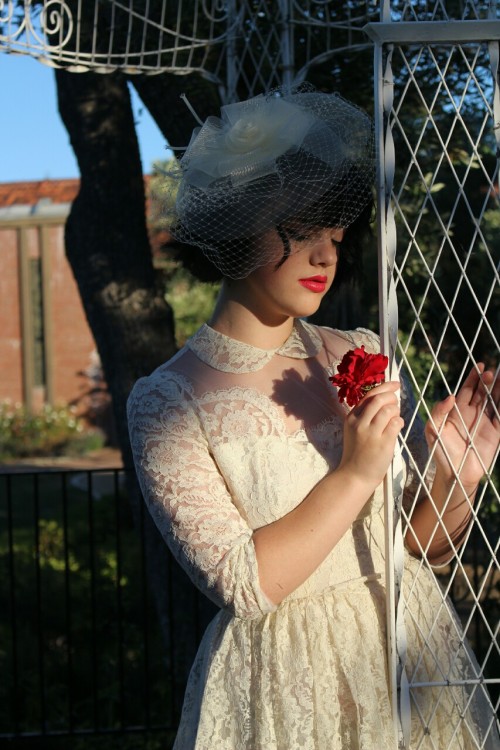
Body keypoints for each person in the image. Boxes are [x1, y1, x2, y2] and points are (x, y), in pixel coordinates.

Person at [127, 87, 500, 749]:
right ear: (237, 228)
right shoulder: (167, 399)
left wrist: (455, 476)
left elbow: (421, 549)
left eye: (333, 232)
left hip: (407, 654)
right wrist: (355, 474)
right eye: (300, 233)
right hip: (290, 688)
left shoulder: (359, 351)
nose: (326, 255)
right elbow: (246, 584)